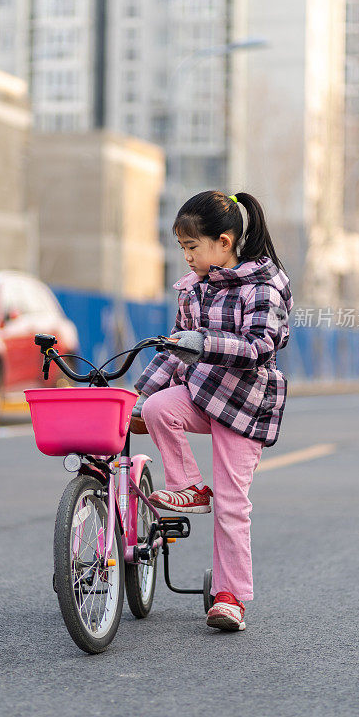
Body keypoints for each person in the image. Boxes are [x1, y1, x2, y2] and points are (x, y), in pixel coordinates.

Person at [132, 190, 294, 632]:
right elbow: (174, 350)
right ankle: (188, 486)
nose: (185, 256)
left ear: (224, 242)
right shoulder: (194, 290)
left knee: (232, 505)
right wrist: (138, 398)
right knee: (162, 408)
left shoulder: (263, 286)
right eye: (182, 247)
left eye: (191, 247)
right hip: (204, 392)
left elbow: (262, 346)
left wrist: (204, 344)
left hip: (245, 405)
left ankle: (230, 598)